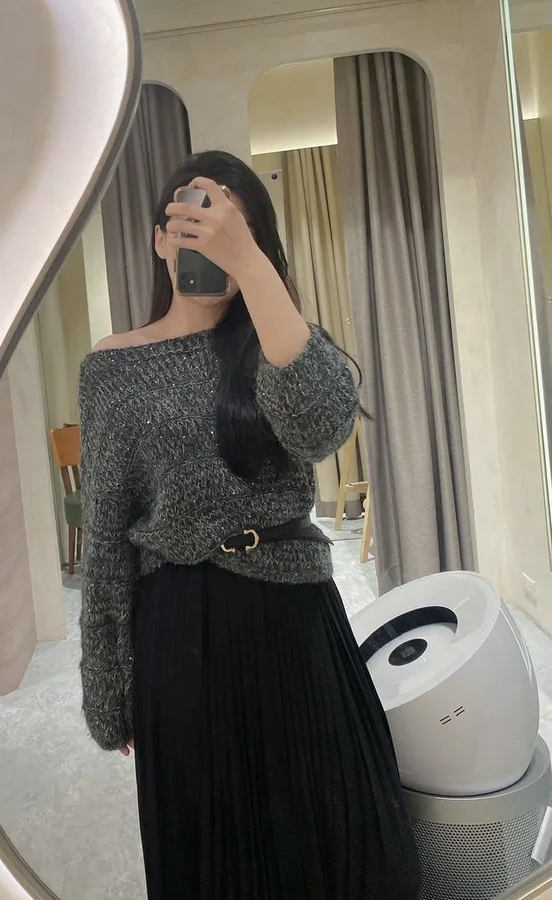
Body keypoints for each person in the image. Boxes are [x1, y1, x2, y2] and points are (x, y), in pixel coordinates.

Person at [77, 150, 422, 900]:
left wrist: (253, 269)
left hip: (293, 615)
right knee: (218, 855)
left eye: (232, 223)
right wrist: (109, 687)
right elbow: (104, 537)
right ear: (161, 239)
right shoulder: (113, 366)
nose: (210, 233)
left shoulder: (281, 340)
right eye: (191, 219)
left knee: (346, 837)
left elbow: (321, 428)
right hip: (180, 629)